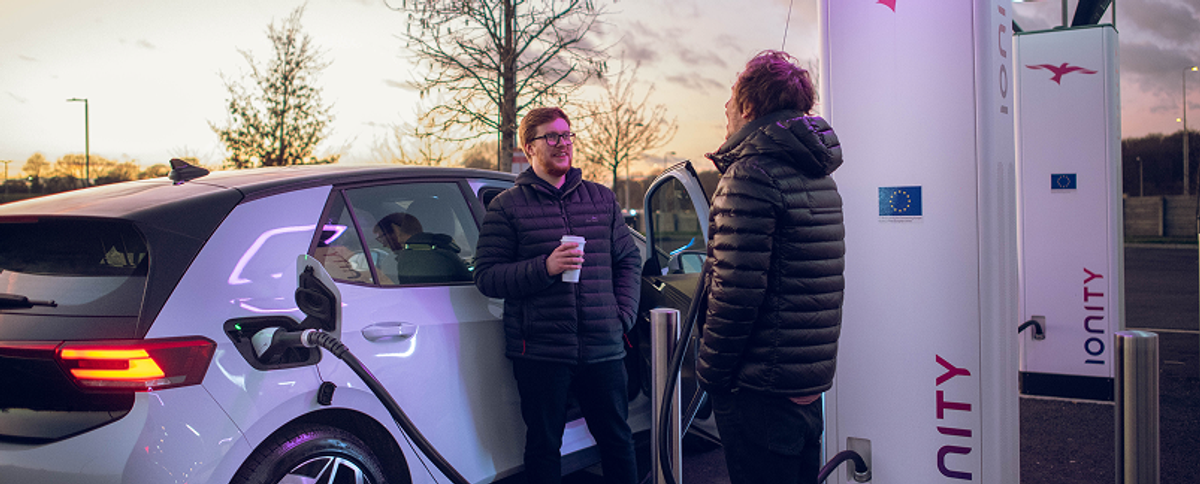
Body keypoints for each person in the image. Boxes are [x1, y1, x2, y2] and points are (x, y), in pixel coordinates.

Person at [696, 50, 846, 484]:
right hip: (802, 381)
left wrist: (711, 375)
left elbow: (736, 292)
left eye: (731, 96)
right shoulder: (817, 174)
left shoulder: (750, 174)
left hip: (758, 385)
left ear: (747, 107)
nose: (725, 108)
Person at [474, 106, 642, 484]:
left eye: (567, 136)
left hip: (603, 346)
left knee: (617, 440)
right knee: (544, 446)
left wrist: (622, 315)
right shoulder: (507, 207)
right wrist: (544, 268)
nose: (562, 144)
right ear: (529, 147)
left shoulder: (601, 199)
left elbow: (629, 259)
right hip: (541, 350)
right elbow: (487, 277)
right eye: (551, 137)